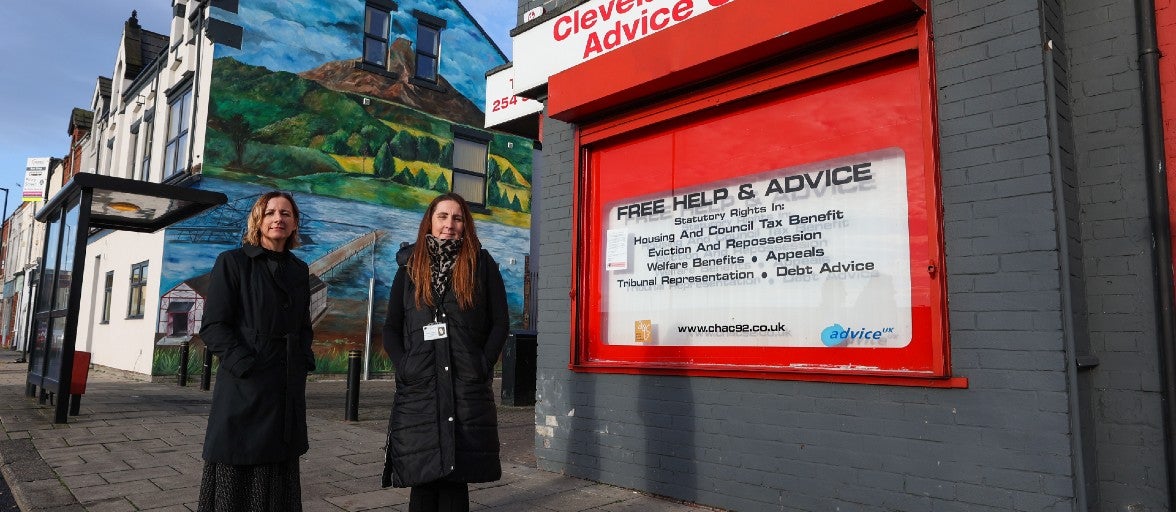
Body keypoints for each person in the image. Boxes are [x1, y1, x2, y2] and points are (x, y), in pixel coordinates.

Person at [381, 192, 509, 511]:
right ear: (430, 220)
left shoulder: (482, 265)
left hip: (464, 386)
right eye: (442, 217)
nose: (449, 225)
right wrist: (405, 366)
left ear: (465, 225)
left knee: (455, 479)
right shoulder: (409, 268)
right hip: (420, 387)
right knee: (422, 477)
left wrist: (481, 365)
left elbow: (500, 323)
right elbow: (391, 328)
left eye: (457, 218)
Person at [198, 191, 316, 512]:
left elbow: (303, 324)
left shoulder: (299, 269)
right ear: (258, 221)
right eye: (270, 213)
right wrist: (245, 364)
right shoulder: (233, 262)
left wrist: (304, 359)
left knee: (279, 471)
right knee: (238, 469)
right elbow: (213, 326)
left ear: (294, 224)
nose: (278, 218)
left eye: (286, 214)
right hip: (245, 389)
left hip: (285, 388)